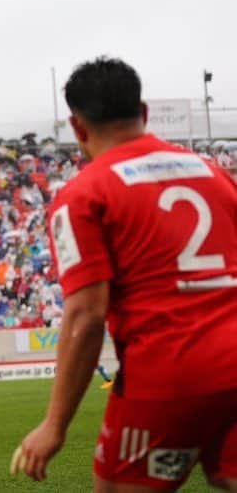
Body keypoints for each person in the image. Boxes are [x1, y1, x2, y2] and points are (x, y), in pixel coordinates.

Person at [15, 57, 237, 491]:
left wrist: (54, 425)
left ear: (77, 127)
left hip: (169, 370)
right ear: (145, 113)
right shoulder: (214, 174)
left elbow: (86, 316)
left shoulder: (84, 194)